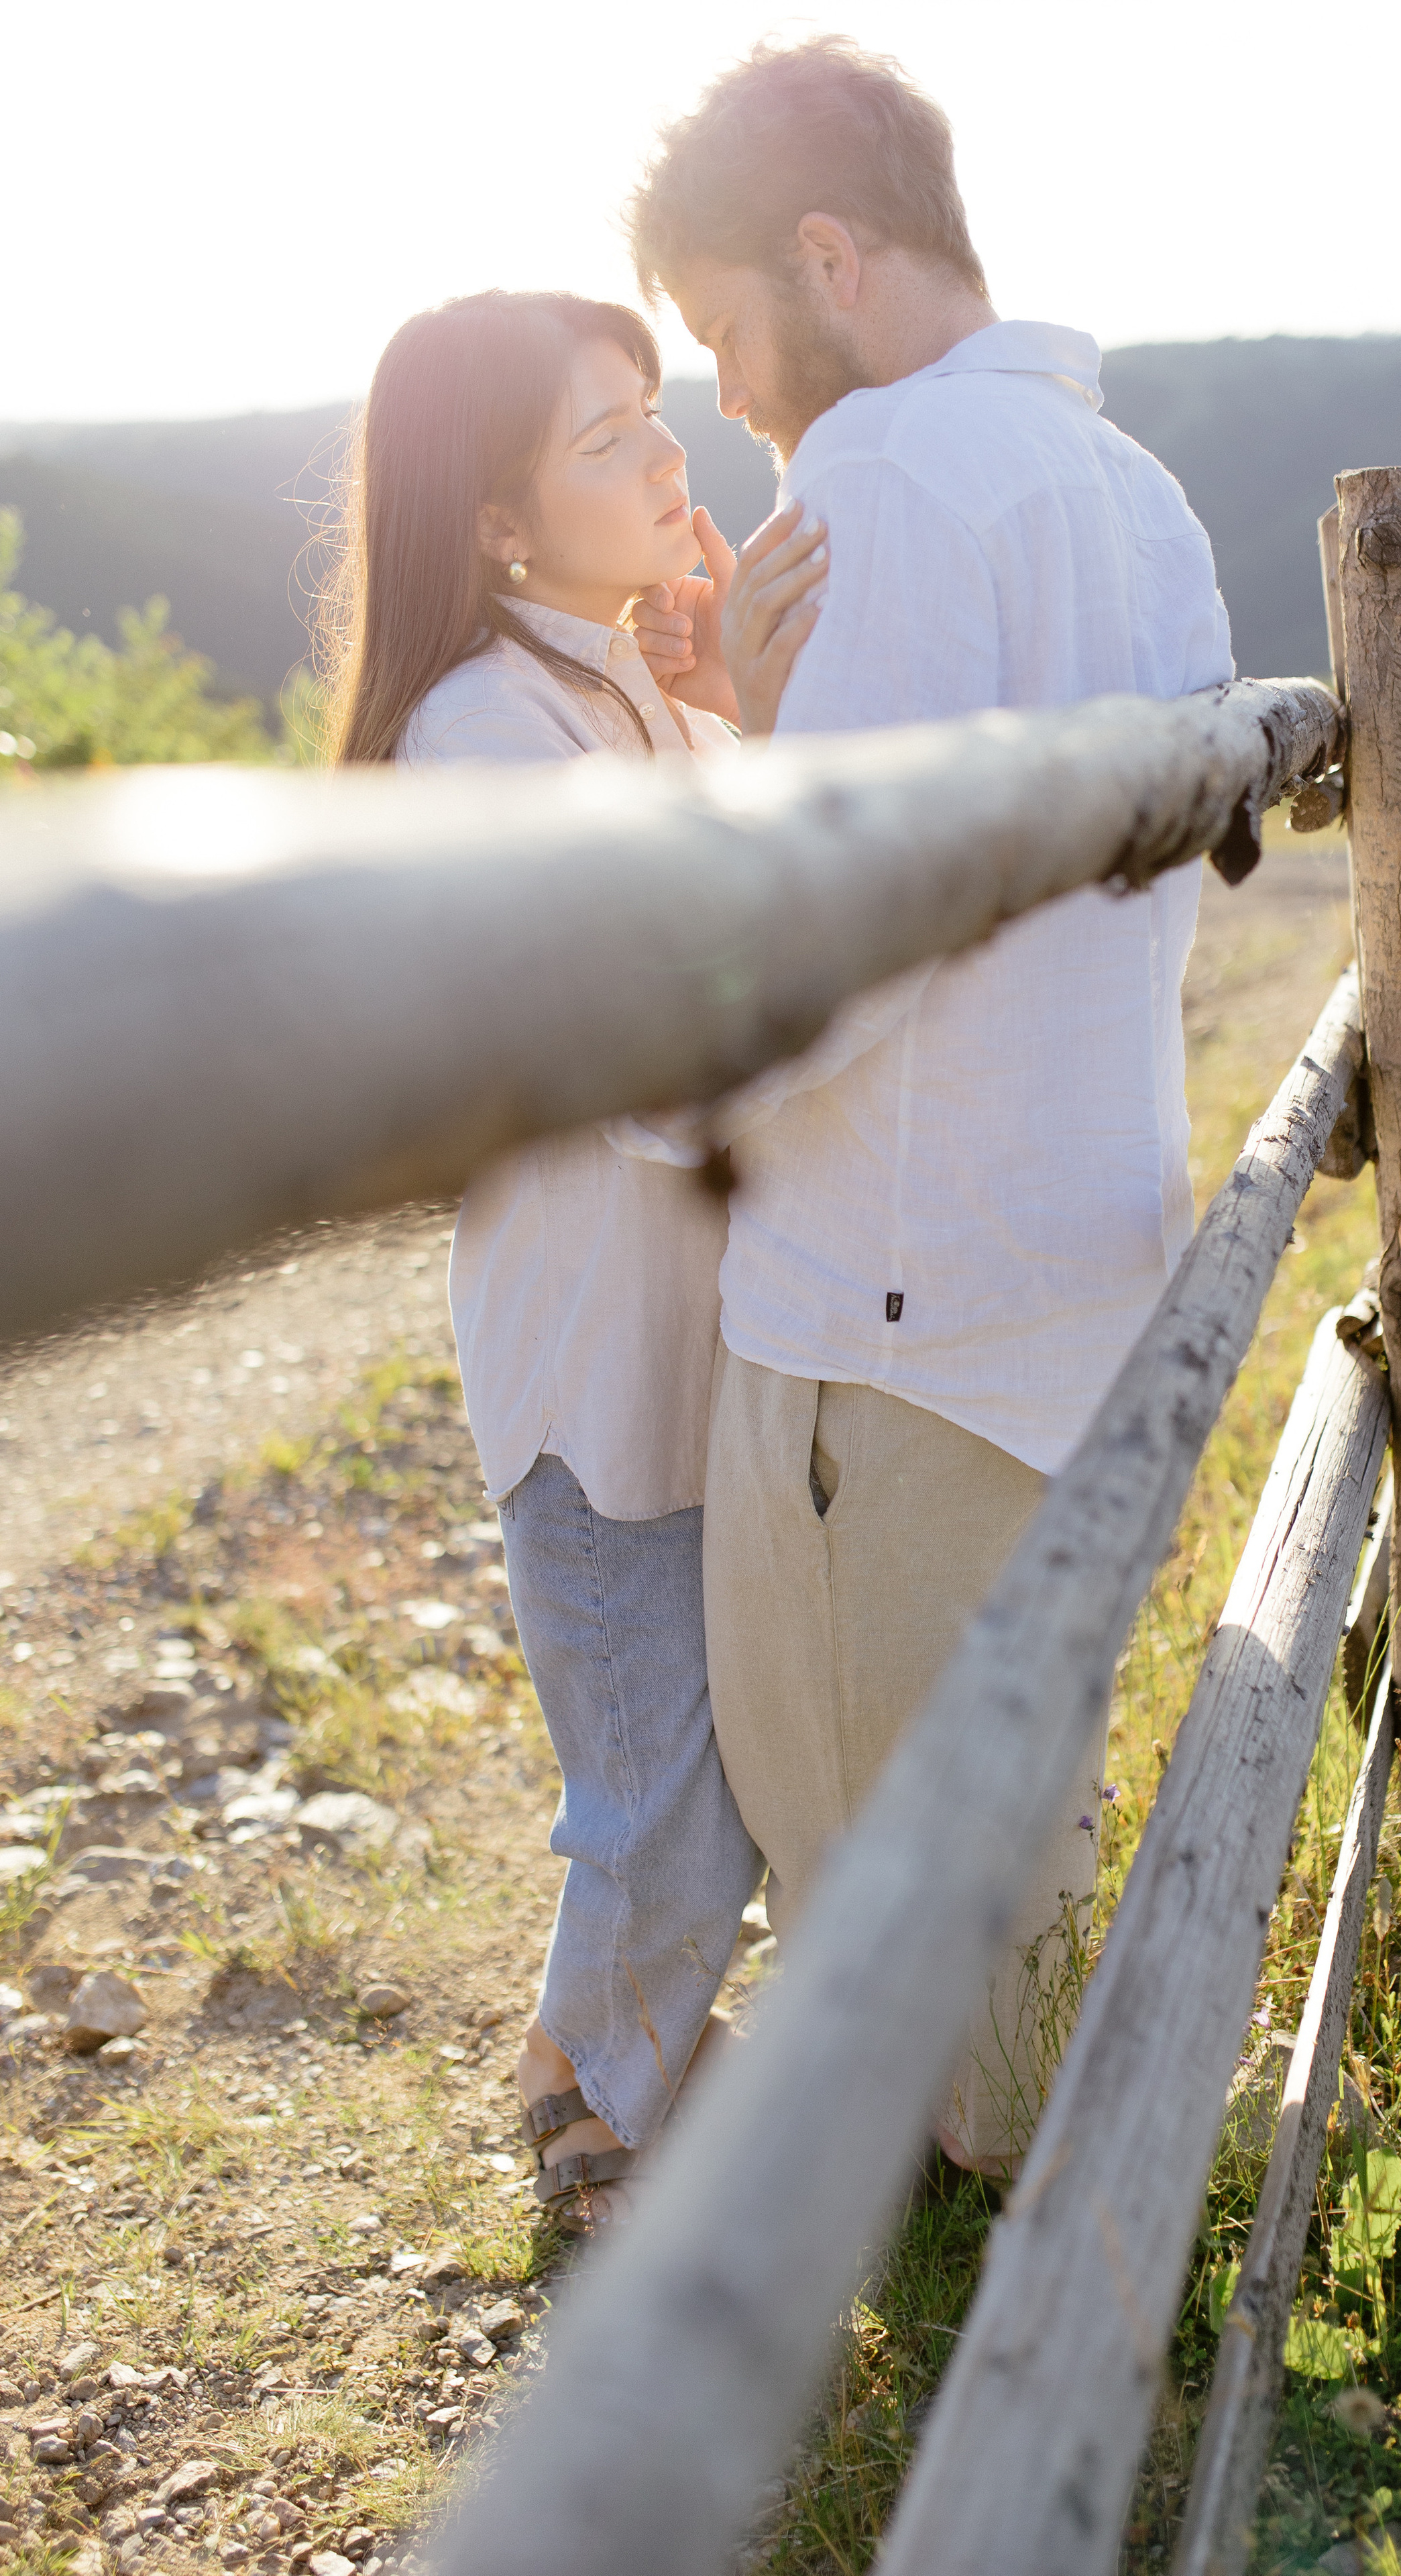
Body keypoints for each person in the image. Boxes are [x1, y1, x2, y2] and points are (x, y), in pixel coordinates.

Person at [626, 38, 1235, 2178]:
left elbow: (825, 971)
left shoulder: (875, 479)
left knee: (908, 1948)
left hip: (881, 1307)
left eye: (719, 330)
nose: (725, 393)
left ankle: (1017, 2257)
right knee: (1010, 1840)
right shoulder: (1133, 486)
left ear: (825, 253)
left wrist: (654, 1038)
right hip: (1061, 1265)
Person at [317, 288, 821, 2222]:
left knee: (709, 1772)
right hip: (595, 1366)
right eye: (609, 438)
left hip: (694, 1338)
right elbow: (677, 1053)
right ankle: (587, 2122)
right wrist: (752, 739)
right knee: (655, 1796)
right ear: (498, 524)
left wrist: (723, 708)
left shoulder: (614, 683)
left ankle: (609, 2070)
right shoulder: (483, 732)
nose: (673, 460)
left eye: (657, 417)